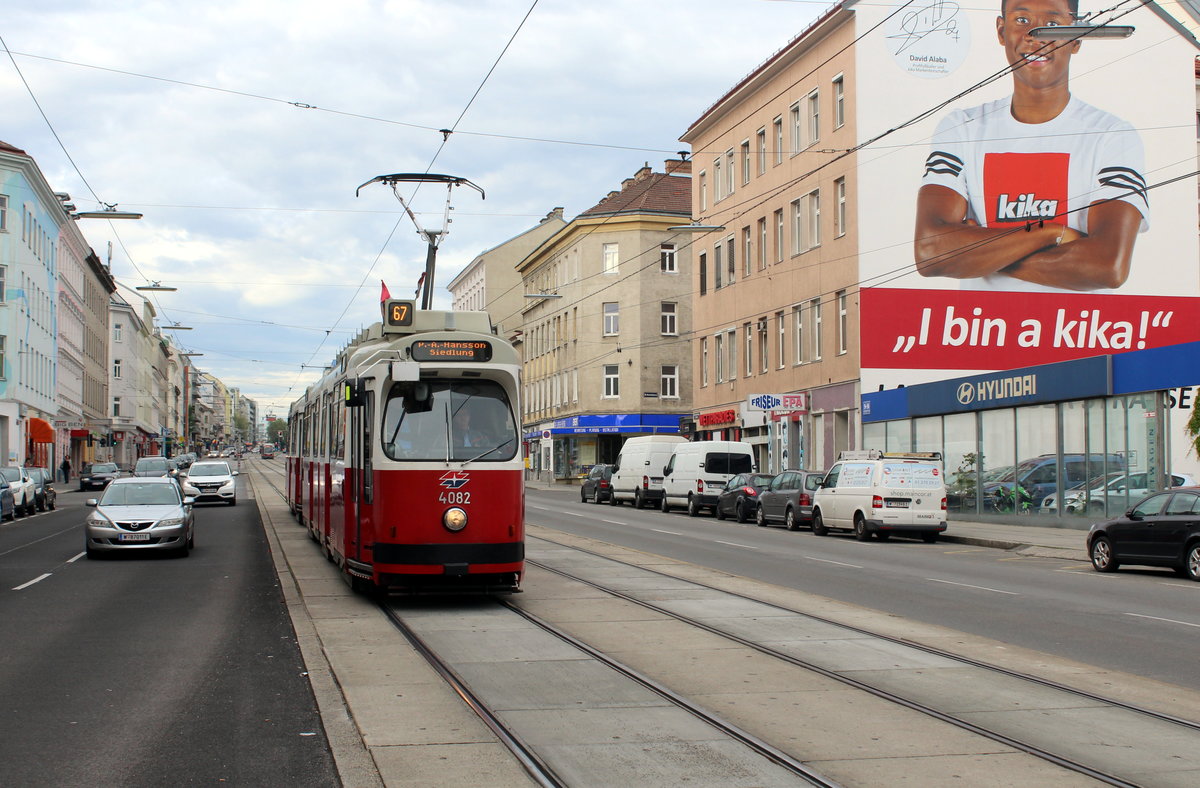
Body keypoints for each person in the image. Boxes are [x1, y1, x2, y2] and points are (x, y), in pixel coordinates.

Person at [913, 0, 1147, 292]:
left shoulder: (1113, 136)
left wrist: (978, 252)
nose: (1035, 36)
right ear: (1001, 31)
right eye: (1022, 20)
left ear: (1075, 38)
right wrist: (1048, 232)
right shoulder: (962, 127)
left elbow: (1107, 266)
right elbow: (930, 253)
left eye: (1052, 25)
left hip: (1077, 334)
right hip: (979, 333)